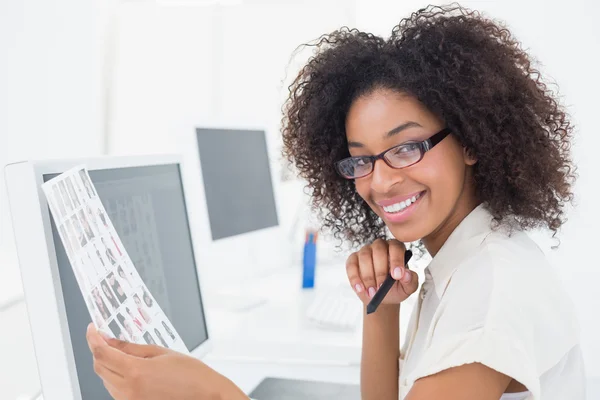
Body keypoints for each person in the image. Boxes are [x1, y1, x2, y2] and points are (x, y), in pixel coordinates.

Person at [86, 5, 585, 400]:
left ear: (472, 141)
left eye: (407, 146)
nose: (381, 181)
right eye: (360, 160)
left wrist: (211, 393)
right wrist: (382, 308)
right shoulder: (466, 259)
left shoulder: (489, 289)